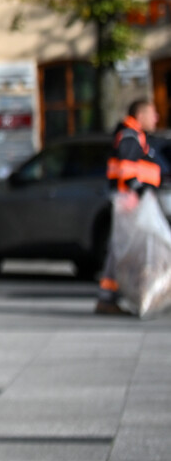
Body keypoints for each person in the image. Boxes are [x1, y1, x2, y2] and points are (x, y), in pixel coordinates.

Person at [96, 97, 171, 315]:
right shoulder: (130, 136)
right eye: (152, 113)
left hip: (131, 199)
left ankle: (111, 296)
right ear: (140, 115)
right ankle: (120, 295)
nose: (156, 118)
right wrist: (137, 191)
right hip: (130, 201)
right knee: (129, 247)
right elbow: (127, 169)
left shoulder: (135, 135)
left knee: (124, 247)